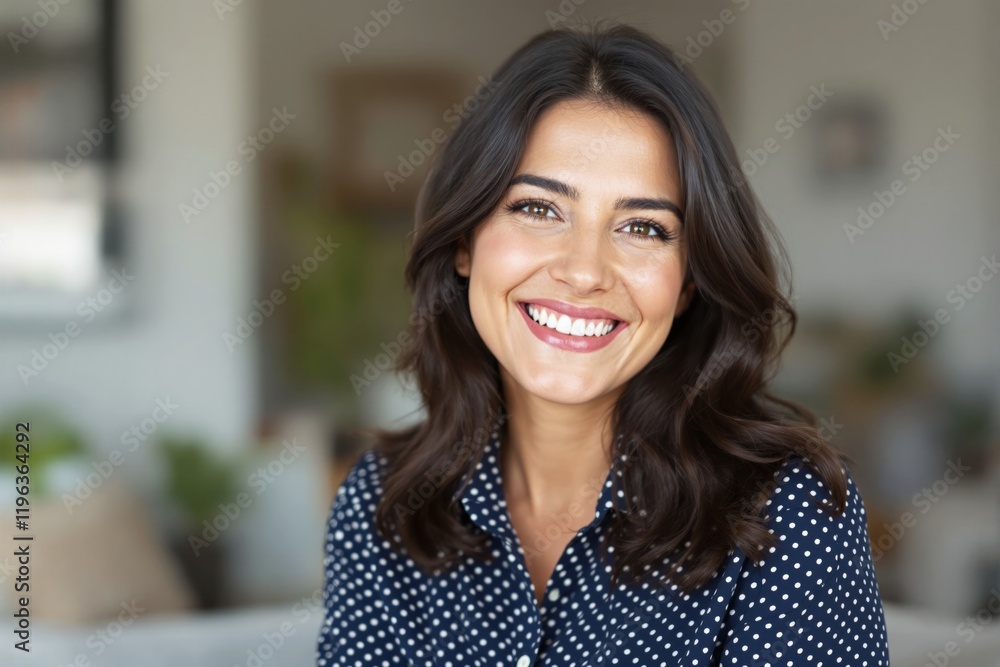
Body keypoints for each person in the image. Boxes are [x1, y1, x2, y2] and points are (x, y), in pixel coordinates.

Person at [317, 20, 890, 667]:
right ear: (464, 241)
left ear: (688, 283)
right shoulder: (384, 505)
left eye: (643, 226)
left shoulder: (787, 514)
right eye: (539, 208)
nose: (584, 270)